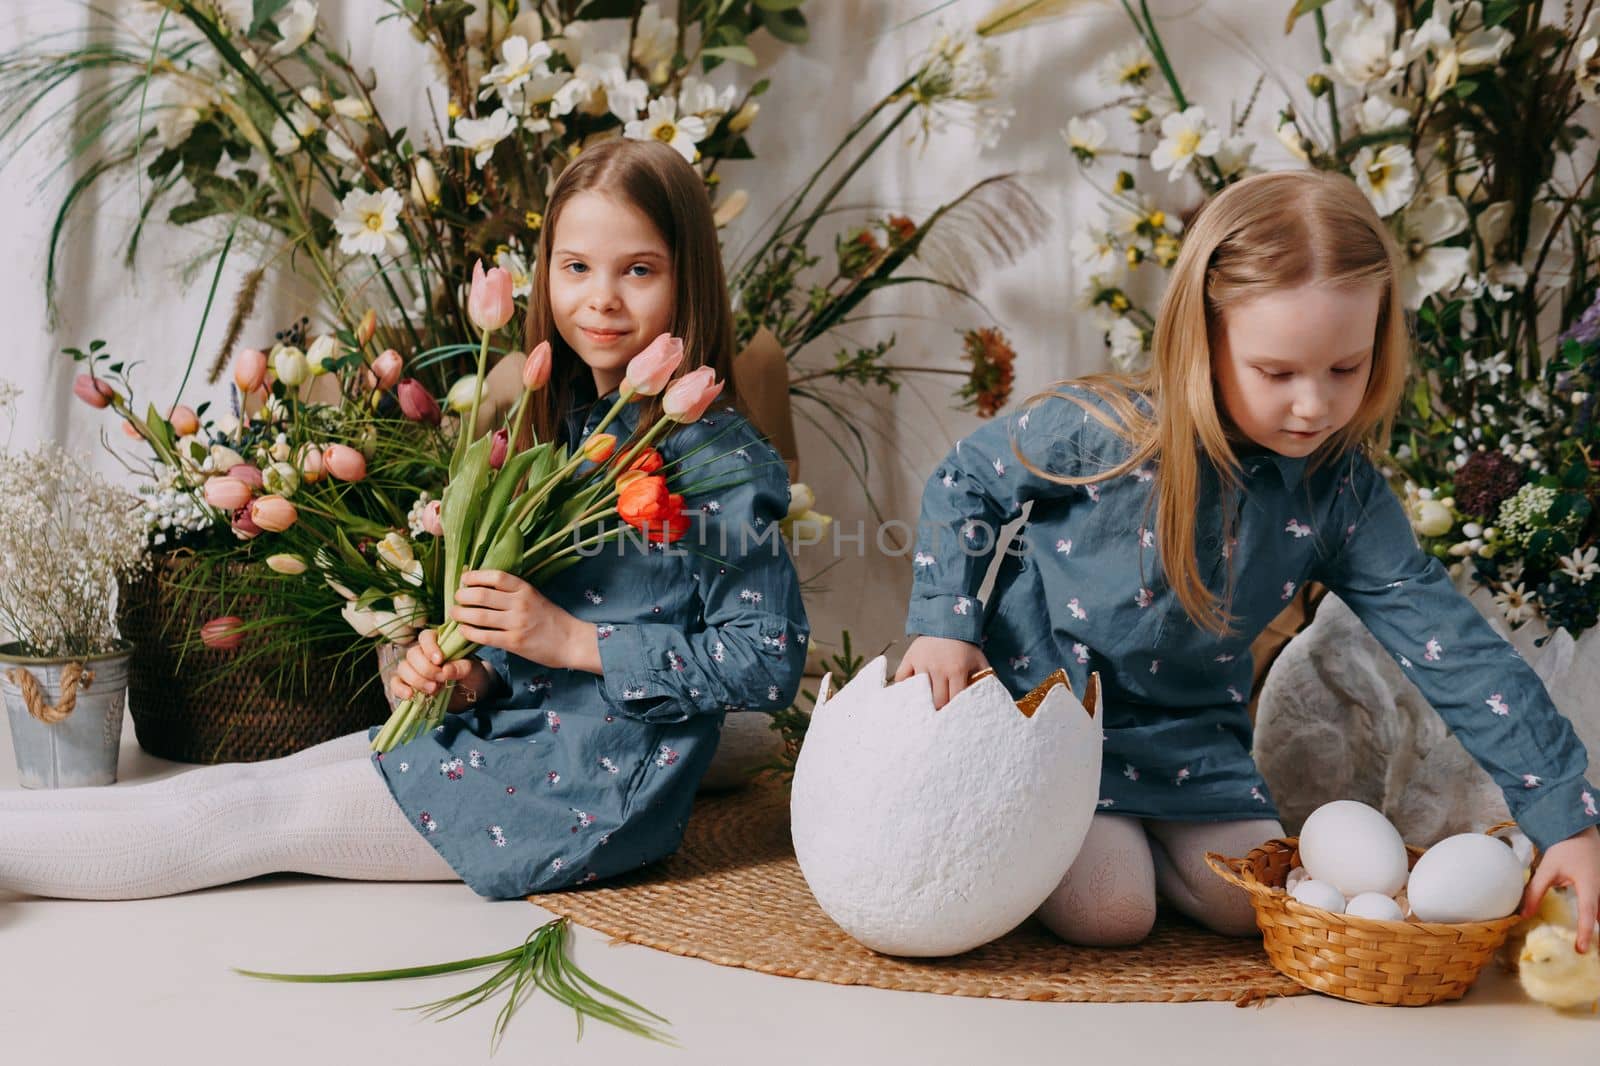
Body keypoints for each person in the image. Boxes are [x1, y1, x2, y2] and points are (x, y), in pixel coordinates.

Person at [0, 138, 809, 902]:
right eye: (575, 267)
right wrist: (472, 674)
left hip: (585, 790)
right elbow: (560, 637)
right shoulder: (571, 429)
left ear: (688, 280)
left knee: (241, 822)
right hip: (509, 733)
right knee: (241, 785)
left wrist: (567, 639)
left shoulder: (721, 462)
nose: (600, 297)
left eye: (638, 270)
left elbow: (766, 660)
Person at [893, 170, 1600, 949]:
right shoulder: (1103, 428)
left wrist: (1565, 814)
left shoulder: (1341, 493)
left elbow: (1454, 647)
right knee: (1113, 915)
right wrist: (945, 624)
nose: (1315, 406)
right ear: (1206, 337)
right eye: (1277, 372)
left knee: (1246, 906)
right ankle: (1058, 840)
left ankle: (1128, 844)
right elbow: (965, 482)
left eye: (1345, 368)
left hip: (1193, 747)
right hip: (1054, 723)